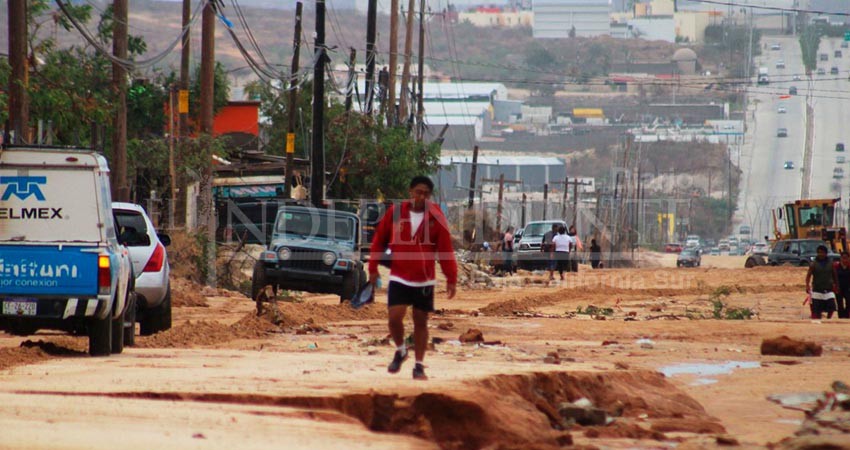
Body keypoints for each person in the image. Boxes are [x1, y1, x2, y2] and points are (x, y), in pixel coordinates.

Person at [368, 176, 457, 380]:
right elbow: (378, 240)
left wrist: (451, 277)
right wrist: (372, 268)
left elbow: (445, 249)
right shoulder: (396, 212)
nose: (421, 196)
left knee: (420, 321)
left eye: (426, 193)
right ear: (410, 192)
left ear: (430, 196)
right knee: (394, 318)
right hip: (400, 275)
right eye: (418, 192)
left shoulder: (436, 216)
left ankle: (418, 365)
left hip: (424, 279)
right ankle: (400, 350)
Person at [806, 245, 837, 319]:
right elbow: (808, 276)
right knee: (817, 309)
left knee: (831, 306)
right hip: (817, 289)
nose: (821, 254)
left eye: (822, 252)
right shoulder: (813, 264)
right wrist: (807, 285)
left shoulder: (831, 264)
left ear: (826, 253)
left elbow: (834, 275)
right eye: (819, 252)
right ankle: (818, 321)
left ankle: (828, 319)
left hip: (828, 289)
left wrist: (836, 285)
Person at [833, 251, 850, 319]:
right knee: (839, 303)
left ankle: (846, 315)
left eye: (846, 258)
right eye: (843, 258)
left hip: (848, 288)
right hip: (839, 287)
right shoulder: (836, 266)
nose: (844, 260)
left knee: (848, 302)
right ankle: (841, 317)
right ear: (840, 258)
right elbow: (833, 276)